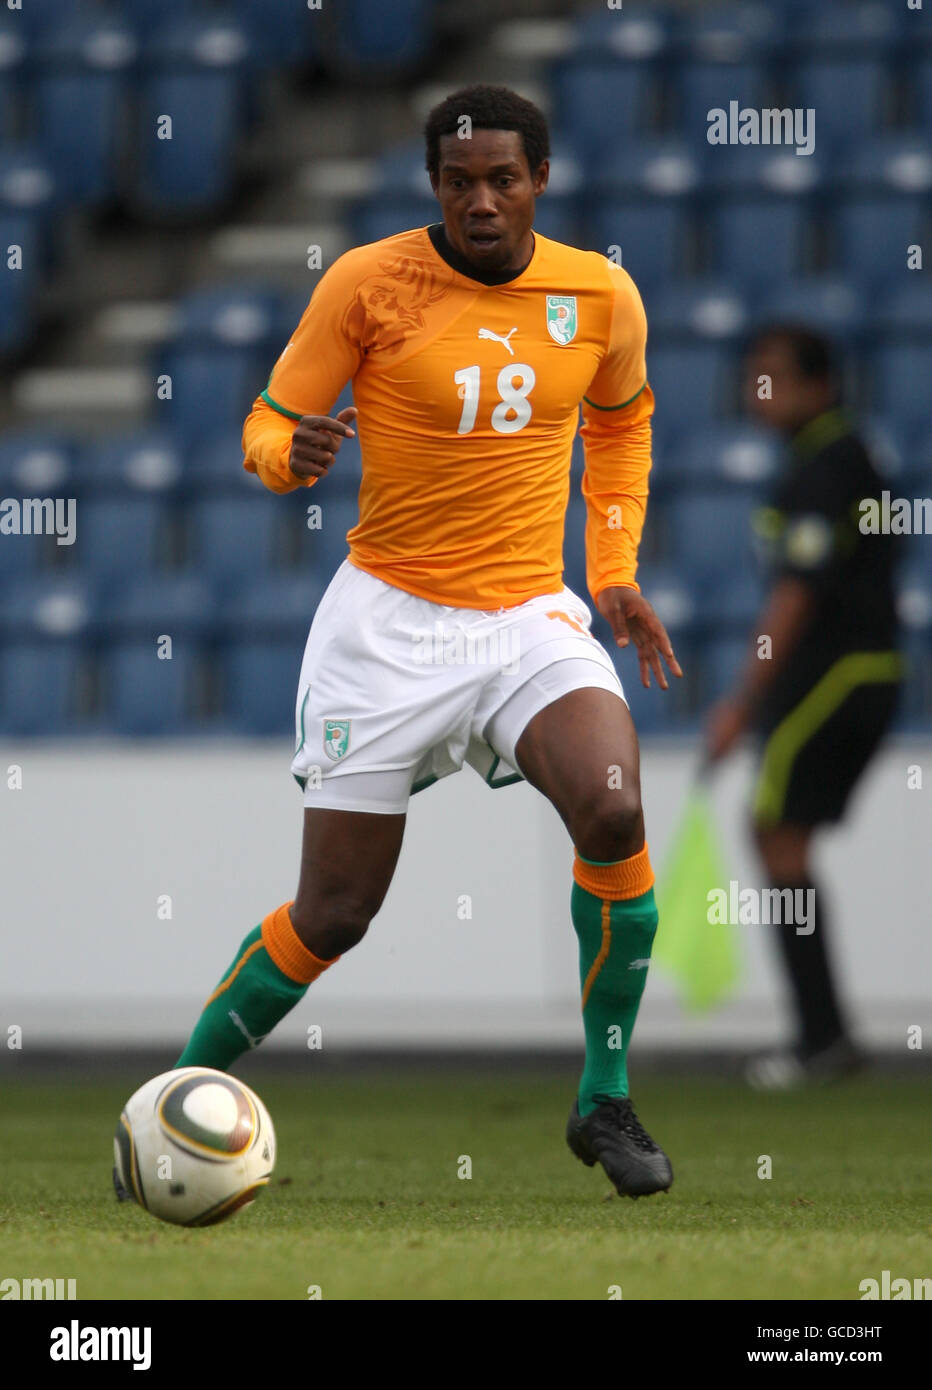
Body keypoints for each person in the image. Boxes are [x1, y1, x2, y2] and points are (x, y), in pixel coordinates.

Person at [169, 85, 682, 1197]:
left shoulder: (597, 293)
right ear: (432, 187)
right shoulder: (367, 282)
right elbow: (265, 417)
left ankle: (601, 1097)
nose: (481, 201)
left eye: (502, 178)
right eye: (458, 182)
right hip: (387, 627)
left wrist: (611, 572)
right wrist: (283, 456)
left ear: (540, 180)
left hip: (523, 619)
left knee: (611, 802)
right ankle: (176, 1096)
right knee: (334, 912)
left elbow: (622, 418)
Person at [705, 326, 905, 1088]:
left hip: (839, 675)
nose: (760, 393)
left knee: (776, 837)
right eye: (753, 377)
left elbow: (797, 593)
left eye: (774, 377)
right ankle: (826, 1038)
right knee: (780, 841)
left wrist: (739, 700)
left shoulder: (827, 463)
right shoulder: (829, 457)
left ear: (820, 385)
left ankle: (822, 1041)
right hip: (856, 672)